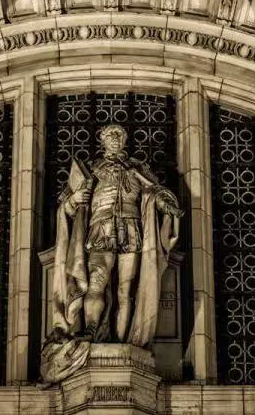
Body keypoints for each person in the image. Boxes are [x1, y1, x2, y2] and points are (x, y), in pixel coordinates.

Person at [44, 125, 181, 383]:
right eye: (110, 135)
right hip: (100, 228)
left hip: (131, 229)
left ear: (125, 140)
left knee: (125, 291)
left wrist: (166, 205)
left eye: (119, 135)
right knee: (96, 283)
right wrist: (75, 199)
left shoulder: (138, 170)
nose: (115, 139)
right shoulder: (91, 170)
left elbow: (155, 193)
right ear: (102, 141)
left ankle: (122, 342)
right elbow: (67, 204)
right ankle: (93, 333)